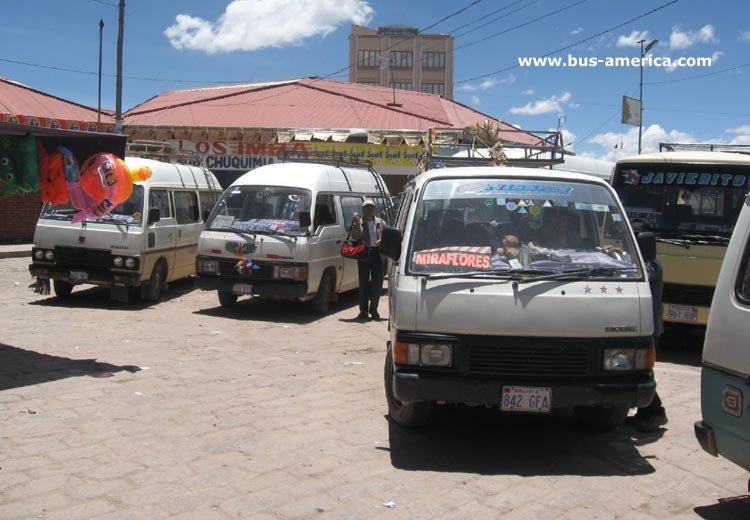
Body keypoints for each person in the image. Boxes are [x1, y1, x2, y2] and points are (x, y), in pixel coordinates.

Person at [627, 218, 669, 432]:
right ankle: (651, 412)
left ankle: (654, 412)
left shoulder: (650, 264)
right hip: (647, 324)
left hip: (649, 326)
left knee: (644, 371)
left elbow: (641, 275)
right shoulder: (645, 259)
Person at [351, 199, 387, 321]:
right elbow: (355, 236)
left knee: (377, 284)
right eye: (366, 207)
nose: (368, 209)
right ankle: (363, 311)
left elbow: (388, 235)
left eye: (371, 207)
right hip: (364, 255)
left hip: (377, 255)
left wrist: (382, 241)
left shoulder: (380, 223)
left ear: (374, 209)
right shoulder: (360, 223)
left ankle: (374, 309)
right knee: (364, 285)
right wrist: (356, 223)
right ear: (363, 209)